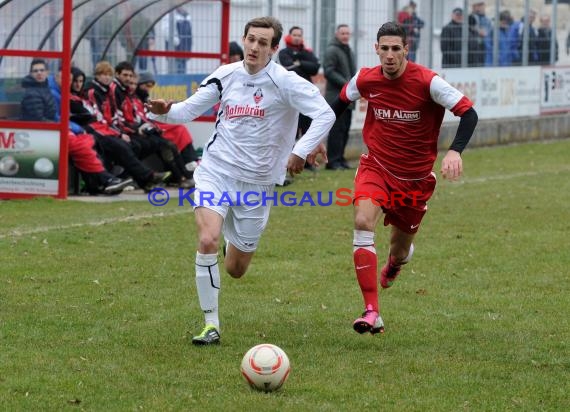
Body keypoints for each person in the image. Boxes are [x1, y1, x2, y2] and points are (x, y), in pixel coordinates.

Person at [146, 16, 335, 345]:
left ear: (274, 49)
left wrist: (301, 150)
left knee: (235, 269)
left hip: (257, 184)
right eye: (251, 39)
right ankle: (211, 325)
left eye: (263, 43)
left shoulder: (285, 82)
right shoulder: (225, 75)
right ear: (244, 40)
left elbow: (325, 114)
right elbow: (186, 111)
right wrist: (164, 111)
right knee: (206, 240)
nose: (254, 47)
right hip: (216, 172)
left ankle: (229, 243)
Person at [328, 22, 478, 334]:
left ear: (406, 49)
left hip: (415, 180)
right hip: (376, 167)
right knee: (362, 222)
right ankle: (372, 311)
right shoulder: (367, 78)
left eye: (396, 49)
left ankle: (395, 264)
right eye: (385, 48)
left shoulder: (428, 82)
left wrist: (455, 151)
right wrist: (314, 139)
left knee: (399, 249)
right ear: (377, 49)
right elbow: (338, 104)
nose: (390, 55)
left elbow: (468, 113)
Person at [21, 59, 131, 195]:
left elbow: (56, 117)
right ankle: (105, 180)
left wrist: (73, 128)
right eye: (35, 71)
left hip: (53, 131)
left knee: (86, 143)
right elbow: (41, 120)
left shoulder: (45, 90)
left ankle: (102, 182)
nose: (39, 73)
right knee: (83, 145)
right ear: (55, 77)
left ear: (47, 73)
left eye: (41, 70)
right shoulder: (36, 92)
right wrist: (71, 128)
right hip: (42, 135)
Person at [278, 25, 321, 175]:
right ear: (289, 36)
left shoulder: (306, 52)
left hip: (306, 97)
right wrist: (302, 66)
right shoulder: (284, 52)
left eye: (299, 35)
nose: (297, 37)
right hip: (290, 97)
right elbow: (288, 67)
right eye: (294, 35)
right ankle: (288, 162)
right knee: (292, 131)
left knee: (308, 129)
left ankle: (308, 162)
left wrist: (299, 63)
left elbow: (315, 68)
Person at [323, 24, 356, 170]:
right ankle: (333, 161)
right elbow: (329, 72)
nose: (345, 36)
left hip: (348, 97)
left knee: (345, 128)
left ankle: (340, 159)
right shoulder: (332, 50)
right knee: (336, 129)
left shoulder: (348, 50)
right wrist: (347, 84)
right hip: (335, 97)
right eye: (342, 33)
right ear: (337, 34)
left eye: (347, 33)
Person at [162, 7, 192, 74]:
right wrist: (177, 42)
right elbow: (166, 32)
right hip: (174, 50)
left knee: (182, 73)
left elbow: (189, 35)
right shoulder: (169, 15)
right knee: (174, 72)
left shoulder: (187, 16)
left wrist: (188, 49)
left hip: (185, 51)